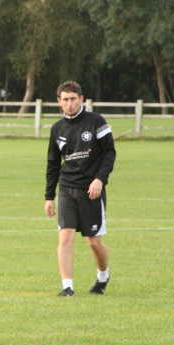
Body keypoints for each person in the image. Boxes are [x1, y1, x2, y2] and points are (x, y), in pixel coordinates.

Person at [44, 80, 116, 296]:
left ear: (81, 99)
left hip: (91, 190)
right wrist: (49, 196)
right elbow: (53, 164)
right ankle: (67, 287)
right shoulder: (57, 129)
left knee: (93, 242)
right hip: (67, 188)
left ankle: (103, 275)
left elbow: (110, 153)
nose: (69, 104)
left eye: (73, 99)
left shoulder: (96, 122)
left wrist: (99, 179)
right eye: (65, 100)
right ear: (59, 102)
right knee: (65, 237)